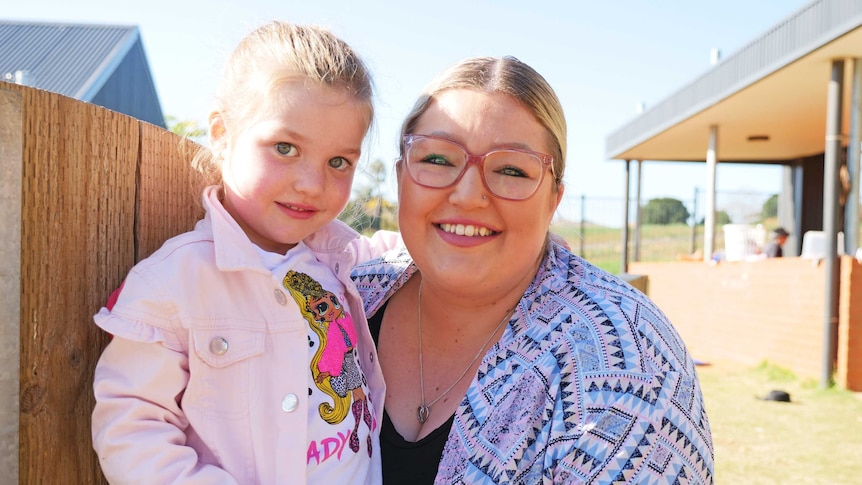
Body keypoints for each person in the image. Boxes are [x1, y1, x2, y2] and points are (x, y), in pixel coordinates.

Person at [352, 56, 714, 484]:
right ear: (401, 178)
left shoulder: (625, 366)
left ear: (553, 199)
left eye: (511, 170)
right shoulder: (336, 301)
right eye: (438, 159)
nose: (468, 195)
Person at [91, 21, 399, 484]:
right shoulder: (171, 283)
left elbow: (413, 249)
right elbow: (132, 432)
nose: (311, 183)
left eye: (339, 162)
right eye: (285, 147)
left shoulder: (342, 260)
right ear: (221, 132)